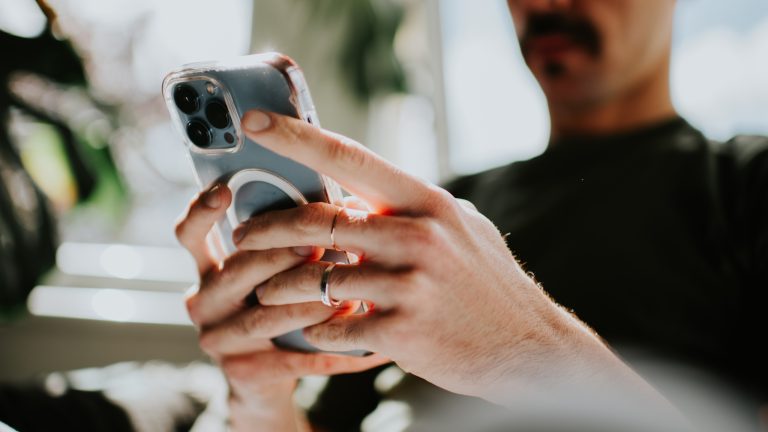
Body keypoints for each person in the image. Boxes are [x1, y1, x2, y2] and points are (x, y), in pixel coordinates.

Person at [175, 0, 768, 430]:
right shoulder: (445, 208)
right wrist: (260, 399)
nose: (544, 4)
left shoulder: (745, 183)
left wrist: (523, 350)